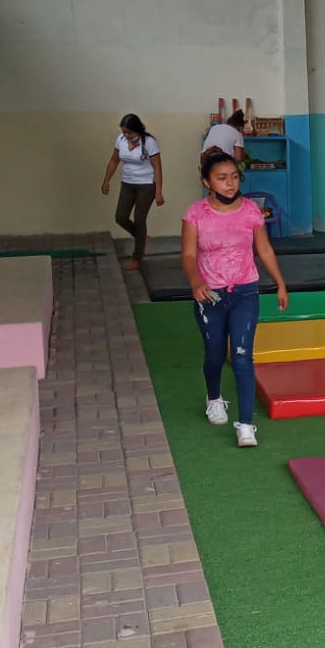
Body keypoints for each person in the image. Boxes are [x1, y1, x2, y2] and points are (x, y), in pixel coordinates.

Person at [183, 150, 289, 448]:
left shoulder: (251, 211)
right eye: (221, 178)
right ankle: (214, 397)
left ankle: (245, 424)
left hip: (245, 291)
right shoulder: (196, 214)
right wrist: (196, 281)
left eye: (234, 177)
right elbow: (189, 255)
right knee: (215, 355)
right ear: (207, 182)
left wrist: (280, 283)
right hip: (210, 295)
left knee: (242, 355)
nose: (230, 183)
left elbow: (264, 250)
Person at [101, 114, 164, 269]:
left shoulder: (149, 142)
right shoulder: (121, 140)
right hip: (128, 184)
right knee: (120, 217)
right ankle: (141, 237)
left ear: (137, 130)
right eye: (124, 132)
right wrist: (106, 180)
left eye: (129, 132)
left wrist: (158, 192)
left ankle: (137, 257)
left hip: (146, 185)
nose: (126, 135)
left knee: (139, 220)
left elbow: (157, 167)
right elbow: (114, 160)